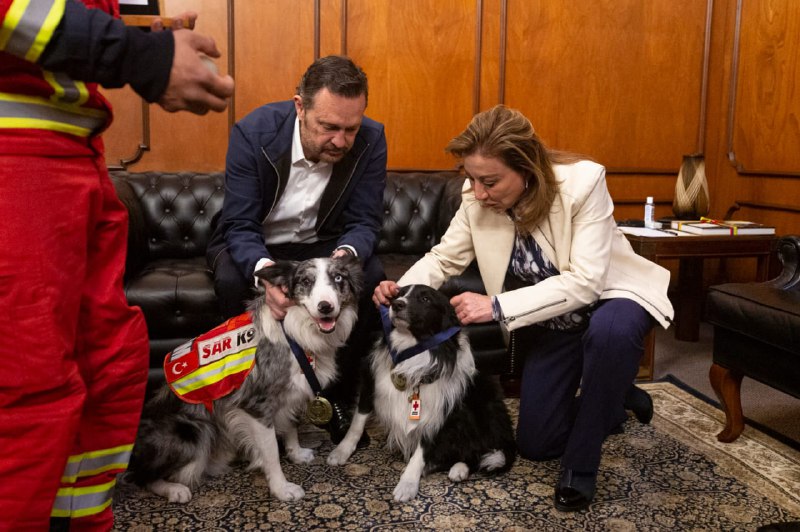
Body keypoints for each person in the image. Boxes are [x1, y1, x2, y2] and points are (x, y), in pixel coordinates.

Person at [0, 1, 234, 529]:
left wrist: (131, 33)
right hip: (15, 159)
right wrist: (138, 55)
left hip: (76, 155)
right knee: (25, 387)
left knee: (109, 362)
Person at [373, 105, 674, 512]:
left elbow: (585, 282)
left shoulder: (583, 184)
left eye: (490, 182)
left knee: (611, 334)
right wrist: (402, 290)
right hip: (555, 319)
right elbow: (444, 259)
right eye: (473, 180)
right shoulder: (476, 197)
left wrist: (494, 306)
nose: (479, 193)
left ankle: (579, 470)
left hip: (612, 296)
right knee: (536, 443)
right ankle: (614, 396)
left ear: (527, 167)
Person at [206, 55, 387, 442]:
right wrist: (268, 275)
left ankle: (335, 400)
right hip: (259, 239)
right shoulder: (253, 132)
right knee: (230, 279)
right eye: (329, 127)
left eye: (350, 129)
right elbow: (239, 224)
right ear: (300, 107)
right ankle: (246, 398)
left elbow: (364, 223)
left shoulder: (372, 138)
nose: (340, 140)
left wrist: (342, 262)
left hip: (323, 244)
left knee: (369, 276)